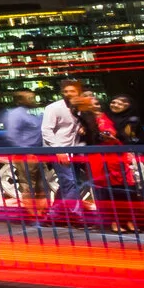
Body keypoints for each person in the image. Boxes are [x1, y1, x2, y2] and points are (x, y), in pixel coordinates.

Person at [94, 94, 144, 233]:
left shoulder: (133, 121)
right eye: (114, 102)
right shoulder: (103, 119)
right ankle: (116, 222)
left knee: (129, 193)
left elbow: (141, 141)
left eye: (121, 104)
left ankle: (131, 220)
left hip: (125, 162)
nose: (116, 105)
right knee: (111, 192)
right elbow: (93, 137)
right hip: (107, 160)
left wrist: (124, 140)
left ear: (129, 107)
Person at [41, 81, 94, 222]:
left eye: (72, 91)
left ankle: (53, 215)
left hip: (74, 149)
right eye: (66, 91)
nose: (68, 94)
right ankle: (76, 215)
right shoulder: (53, 108)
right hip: (58, 150)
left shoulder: (80, 107)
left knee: (69, 182)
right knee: (70, 181)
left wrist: (83, 126)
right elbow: (46, 130)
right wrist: (59, 150)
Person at [0, 89, 49, 220]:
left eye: (33, 98)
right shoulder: (16, 114)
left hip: (39, 152)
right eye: (29, 98)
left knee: (42, 184)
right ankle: (32, 214)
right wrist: (25, 151)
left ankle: (42, 212)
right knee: (28, 185)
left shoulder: (35, 112)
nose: (33, 101)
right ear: (19, 100)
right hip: (26, 154)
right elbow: (12, 135)